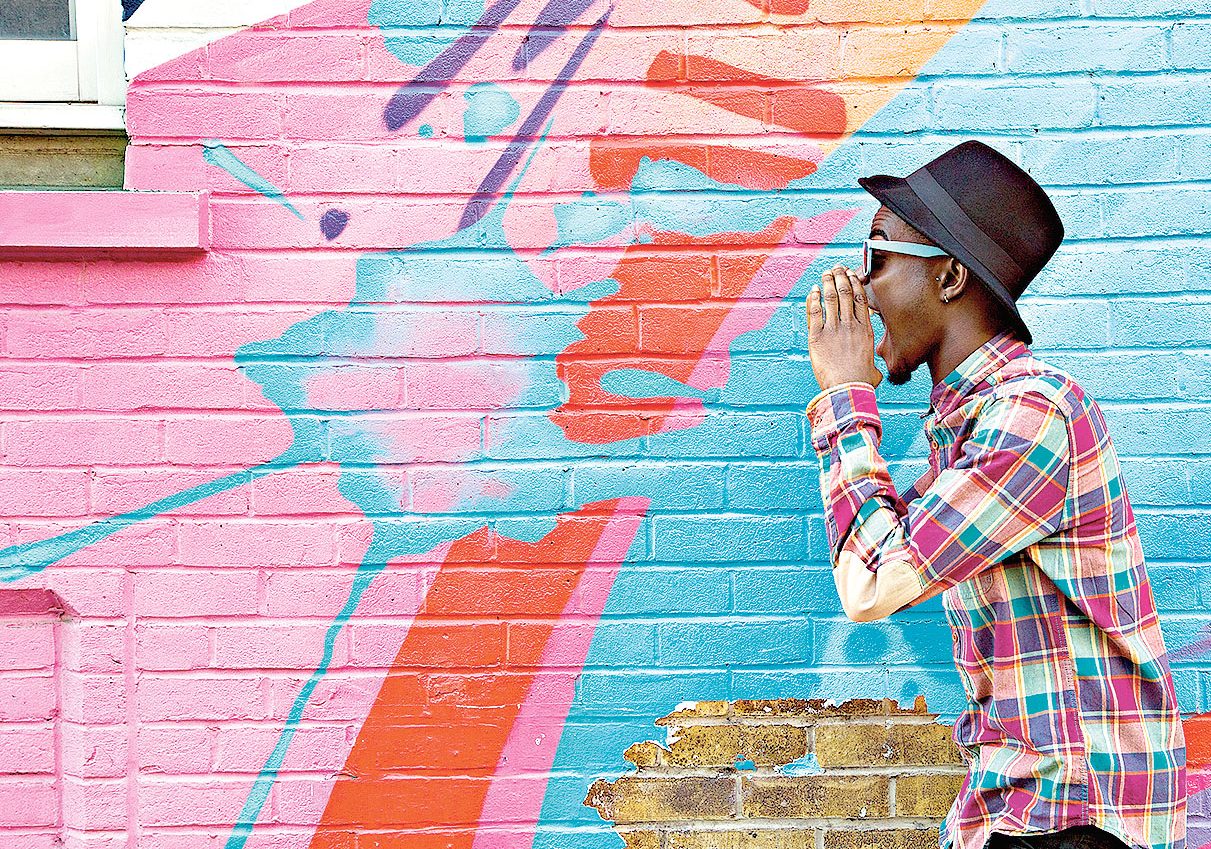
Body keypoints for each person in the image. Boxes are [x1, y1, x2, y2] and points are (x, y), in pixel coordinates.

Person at [803, 140, 1187, 849]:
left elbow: (870, 584)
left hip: (1071, 820)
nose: (856, 288)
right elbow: (882, 548)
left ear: (948, 277)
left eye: (876, 257)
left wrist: (844, 397)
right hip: (1029, 815)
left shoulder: (1031, 414)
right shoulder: (974, 429)